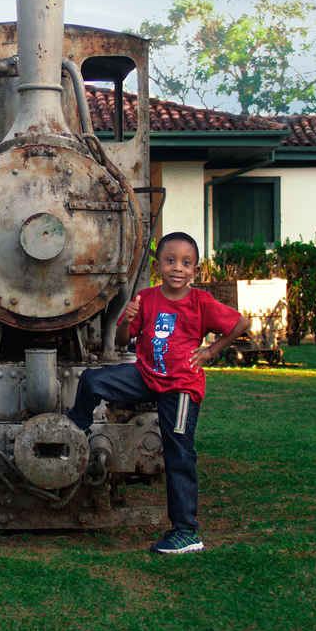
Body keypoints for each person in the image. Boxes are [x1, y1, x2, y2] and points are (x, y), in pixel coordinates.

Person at [67, 231, 250, 555]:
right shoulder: (147, 299)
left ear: (195, 270)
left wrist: (210, 351)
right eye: (170, 260)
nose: (177, 268)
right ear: (158, 265)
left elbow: (242, 323)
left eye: (186, 262)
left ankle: (186, 532)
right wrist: (128, 321)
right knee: (92, 381)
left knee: (179, 453)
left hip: (180, 387)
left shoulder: (201, 303)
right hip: (146, 375)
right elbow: (124, 339)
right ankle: (76, 428)